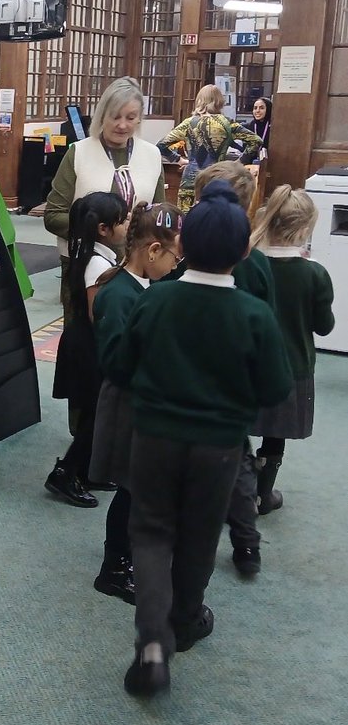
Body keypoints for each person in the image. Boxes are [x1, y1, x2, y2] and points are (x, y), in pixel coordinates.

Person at [108, 181, 292, 697]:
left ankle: (150, 644)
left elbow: (120, 366)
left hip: (156, 437)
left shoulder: (157, 299)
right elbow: (276, 388)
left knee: (149, 533)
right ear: (243, 251)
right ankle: (186, 619)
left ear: (183, 246)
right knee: (198, 535)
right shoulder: (255, 315)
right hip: (219, 447)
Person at [89, 201, 182, 604]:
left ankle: (132, 555)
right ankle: (113, 570)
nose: (179, 264)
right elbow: (114, 362)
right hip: (128, 403)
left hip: (148, 402)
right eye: (177, 255)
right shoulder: (117, 295)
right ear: (154, 251)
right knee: (129, 490)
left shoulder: (153, 287)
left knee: (142, 489)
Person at [193, 161, 274, 577]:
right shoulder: (256, 263)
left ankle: (242, 543)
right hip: (230, 392)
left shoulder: (188, 253)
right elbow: (267, 323)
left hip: (190, 385)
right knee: (237, 465)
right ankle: (246, 545)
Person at [44, 77, 166, 319]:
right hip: (84, 263)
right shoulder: (79, 153)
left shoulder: (151, 155)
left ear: (140, 118)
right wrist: (98, 230)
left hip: (137, 265)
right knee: (82, 340)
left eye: (130, 118)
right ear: (102, 116)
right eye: (115, 116)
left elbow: (158, 214)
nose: (122, 125)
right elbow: (53, 216)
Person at [250, 185, 335, 516]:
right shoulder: (314, 273)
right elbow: (323, 326)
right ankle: (263, 494)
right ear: (304, 229)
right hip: (292, 365)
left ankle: (234, 487)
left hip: (249, 363)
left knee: (237, 426)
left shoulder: (251, 263)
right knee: (275, 435)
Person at [45, 192, 128, 509]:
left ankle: (88, 471)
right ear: (104, 229)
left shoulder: (97, 252)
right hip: (88, 344)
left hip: (88, 341)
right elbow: (98, 313)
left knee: (98, 411)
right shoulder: (96, 262)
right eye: (122, 220)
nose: (127, 224)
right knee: (96, 413)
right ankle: (64, 473)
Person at [157, 85, 263, 213]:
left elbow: (161, 145)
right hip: (218, 177)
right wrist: (238, 163)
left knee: (185, 218)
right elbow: (256, 141)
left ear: (199, 101)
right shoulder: (227, 123)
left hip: (191, 179)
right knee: (214, 216)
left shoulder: (189, 123)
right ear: (219, 101)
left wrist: (178, 159)